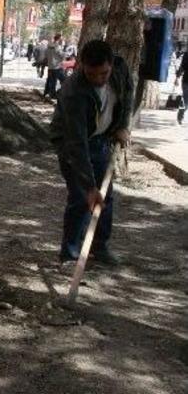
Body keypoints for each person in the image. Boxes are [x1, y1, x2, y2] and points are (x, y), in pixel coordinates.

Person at [49, 40, 132, 265]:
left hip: (101, 140)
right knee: (81, 197)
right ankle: (70, 254)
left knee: (105, 197)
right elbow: (77, 143)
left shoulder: (120, 69)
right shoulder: (73, 92)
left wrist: (122, 126)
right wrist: (89, 186)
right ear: (81, 66)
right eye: (91, 74)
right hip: (71, 143)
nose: (98, 79)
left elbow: (127, 95)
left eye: (103, 73)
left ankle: (99, 247)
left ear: (111, 65)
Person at [175, 49, 188, 124]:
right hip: (186, 81)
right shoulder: (187, 54)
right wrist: (177, 78)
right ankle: (180, 116)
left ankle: (180, 116)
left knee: (186, 101)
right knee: (186, 100)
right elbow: (182, 67)